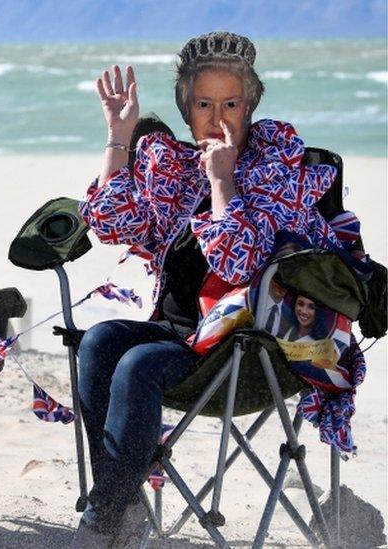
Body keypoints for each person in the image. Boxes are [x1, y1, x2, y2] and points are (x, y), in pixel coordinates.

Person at [74, 31, 365, 546]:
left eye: (230, 103)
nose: (217, 117)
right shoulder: (178, 170)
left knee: (138, 366)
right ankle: (122, 504)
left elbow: (242, 262)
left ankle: (104, 516)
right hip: (181, 337)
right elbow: (112, 224)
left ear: (250, 104)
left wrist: (223, 184)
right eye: (204, 104)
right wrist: (118, 139)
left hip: (249, 349)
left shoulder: (279, 172)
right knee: (98, 343)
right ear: (186, 111)